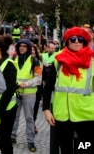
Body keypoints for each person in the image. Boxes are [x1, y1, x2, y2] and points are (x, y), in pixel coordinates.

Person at [43, 26, 94, 154]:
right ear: (67, 41)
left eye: (81, 39)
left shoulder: (92, 61)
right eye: (73, 38)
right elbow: (48, 87)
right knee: (65, 149)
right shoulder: (58, 60)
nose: (77, 41)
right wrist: (46, 110)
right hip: (62, 116)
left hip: (86, 117)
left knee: (84, 149)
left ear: (85, 42)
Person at [11, 39, 42, 152]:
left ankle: (30, 141)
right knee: (15, 116)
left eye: (24, 46)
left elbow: (38, 79)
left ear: (28, 48)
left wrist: (27, 84)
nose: (22, 48)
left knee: (29, 118)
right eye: (20, 46)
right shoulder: (14, 59)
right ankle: (12, 137)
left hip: (29, 94)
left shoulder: (35, 61)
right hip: (17, 92)